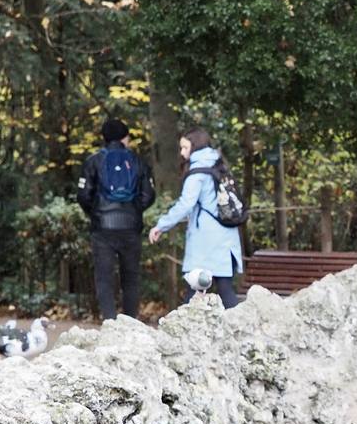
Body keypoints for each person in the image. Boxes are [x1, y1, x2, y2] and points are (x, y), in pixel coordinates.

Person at [148, 128, 244, 307]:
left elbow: (186, 204)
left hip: (205, 241)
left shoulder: (198, 172)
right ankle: (241, 330)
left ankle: (184, 331)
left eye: (185, 148)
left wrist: (161, 225)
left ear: (195, 146)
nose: (182, 153)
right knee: (225, 289)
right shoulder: (218, 164)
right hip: (227, 237)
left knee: (195, 290)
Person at [77, 117, 156, 321]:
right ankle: (129, 322)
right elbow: (149, 195)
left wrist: (95, 213)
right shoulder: (138, 161)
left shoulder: (93, 161)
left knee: (104, 278)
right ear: (124, 138)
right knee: (130, 277)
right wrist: (134, 211)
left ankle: (110, 321)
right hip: (131, 228)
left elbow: (84, 195)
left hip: (102, 229)